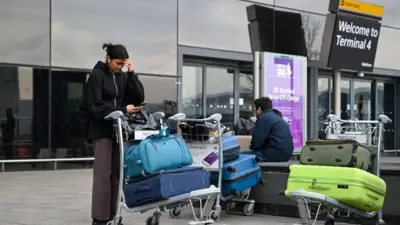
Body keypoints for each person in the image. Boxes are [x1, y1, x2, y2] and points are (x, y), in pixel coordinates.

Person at [82, 43, 142, 225]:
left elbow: (138, 97)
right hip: (101, 130)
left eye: (123, 64)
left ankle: (113, 216)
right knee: (103, 174)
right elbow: (95, 106)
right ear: (108, 59)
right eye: (118, 63)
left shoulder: (123, 77)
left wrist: (132, 74)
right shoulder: (97, 76)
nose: (120, 67)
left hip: (118, 130)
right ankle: (100, 219)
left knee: (117, 173)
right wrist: (123, 109)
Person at [244, 97, 294, 162]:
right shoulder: (277, 117)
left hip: (273, 154)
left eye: (254, 109)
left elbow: (257, 142)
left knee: (240, 156)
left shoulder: (263, 118)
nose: (255, 112)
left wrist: (252, 148)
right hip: (286, 154)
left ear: (259, 109)